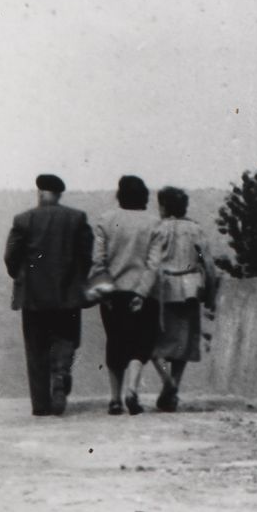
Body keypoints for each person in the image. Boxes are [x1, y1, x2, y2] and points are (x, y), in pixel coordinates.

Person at [4, 173, 94, 417]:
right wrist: (78, 279)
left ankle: (41, 405)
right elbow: (87, 256)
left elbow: (11, 257)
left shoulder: (23, 220)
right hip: (68, 294)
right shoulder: (76, 218)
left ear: (40, 193)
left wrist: (20, 276)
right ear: (59, 194)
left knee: (35, 349)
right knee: (66, 338)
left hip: (33, 296)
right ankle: (61, 373)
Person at [87, 174, 159, 415]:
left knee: (115, 342)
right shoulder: (154, 223)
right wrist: (141, 292)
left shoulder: (106, 220)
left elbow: (98, 261)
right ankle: (132, 390)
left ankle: (115, 398)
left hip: (114, 292)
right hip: (143, 293)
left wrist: (104, 291)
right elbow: (153, 264)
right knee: (141, 344)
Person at [144, 186, 219, 412]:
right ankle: (173, 384)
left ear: (163, 206)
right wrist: (211, 295)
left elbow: (149, 262)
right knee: (184, 342)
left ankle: (168, 381)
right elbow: (209, 265)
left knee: (152, 341)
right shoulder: (195, 229)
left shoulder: (156, 228)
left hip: (161, 289)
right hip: (189, 290)